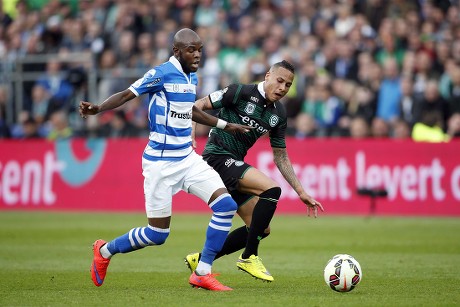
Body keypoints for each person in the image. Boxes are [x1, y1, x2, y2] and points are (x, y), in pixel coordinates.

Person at [79, 28, 251, 291]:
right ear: (176, 51)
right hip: (160, 163)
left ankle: (202, 272)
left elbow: (191, 110)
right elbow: (127, 94)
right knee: (157, 235)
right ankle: (104, 251)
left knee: (225, 206)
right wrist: (99, 108)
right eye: (191, 50)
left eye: (200, 49)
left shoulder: (191, 76)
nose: (197, 55)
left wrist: (226, 125)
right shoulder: (160, 74)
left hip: (187, 159)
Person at [185, 60, 324, 282]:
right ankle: (249, 256)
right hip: (217, 157)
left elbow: (280, 155)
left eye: (288, 85)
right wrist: (191, 132)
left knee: (261, 228)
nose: (282, 88)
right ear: (268, 75)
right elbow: (198, 104)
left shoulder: (279, 114)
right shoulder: (239, 91)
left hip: (233, 165)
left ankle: (201, 260)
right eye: (279, 81)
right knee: (271, 189)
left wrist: (301, 191)